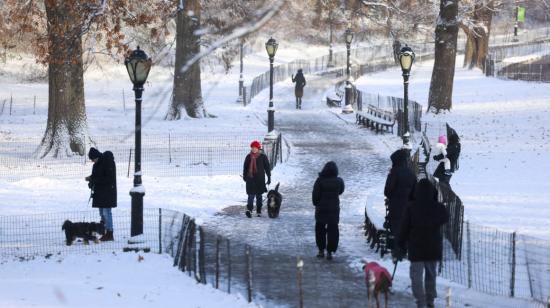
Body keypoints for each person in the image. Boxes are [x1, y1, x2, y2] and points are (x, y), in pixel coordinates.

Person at [397, 179, 449, 308]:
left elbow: (404, 228)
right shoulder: (438, 208)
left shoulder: (411, 207)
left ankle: (420, 301)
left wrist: (400, 245)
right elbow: (445, 217)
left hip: (416, 247)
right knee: (431, 275)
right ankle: (430, 300)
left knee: (416, 276)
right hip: (433, 247)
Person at [312, 161, 345, 260]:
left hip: (321, 210)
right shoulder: (339, 181)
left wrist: (316, 203)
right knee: (333, 230)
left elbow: (315, 195)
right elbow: (341, 191)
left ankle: (321, 250)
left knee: (320, 230)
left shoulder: (319, 180)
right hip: (333, 210)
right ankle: (330, 251)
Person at [384, 149, 417, 245]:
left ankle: (397, 250)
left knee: (396, 227)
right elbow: (415, 192)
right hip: (408, 207)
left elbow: (387, 191)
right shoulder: (411, 174)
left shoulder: (394, 173)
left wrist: (393, 197)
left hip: (395, 206)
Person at [85, 147, 117, 241]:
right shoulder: (96, 164)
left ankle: (109, 233)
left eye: (92, 159)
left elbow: (109, 178)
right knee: (102, 214)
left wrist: (95, 180)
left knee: (106, 213)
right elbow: (95, 176)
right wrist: (91, 180)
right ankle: (104, 231)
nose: (92, 161)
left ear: (96, 156)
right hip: (99, 193)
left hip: (108, 192)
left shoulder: (108, 162)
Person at [243, 140, 271, 218]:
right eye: (252, 148)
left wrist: (269, 177)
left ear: (258, 148)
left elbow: (267, 168)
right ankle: (249, 210)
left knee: (259, 196)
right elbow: (245, 168)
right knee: (251, 195)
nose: (254, 149)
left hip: (260, 179)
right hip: (250, 179)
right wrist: (245, 177)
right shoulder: (248, 157)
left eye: (255, 148)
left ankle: (258, 210)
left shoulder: (263, 157)